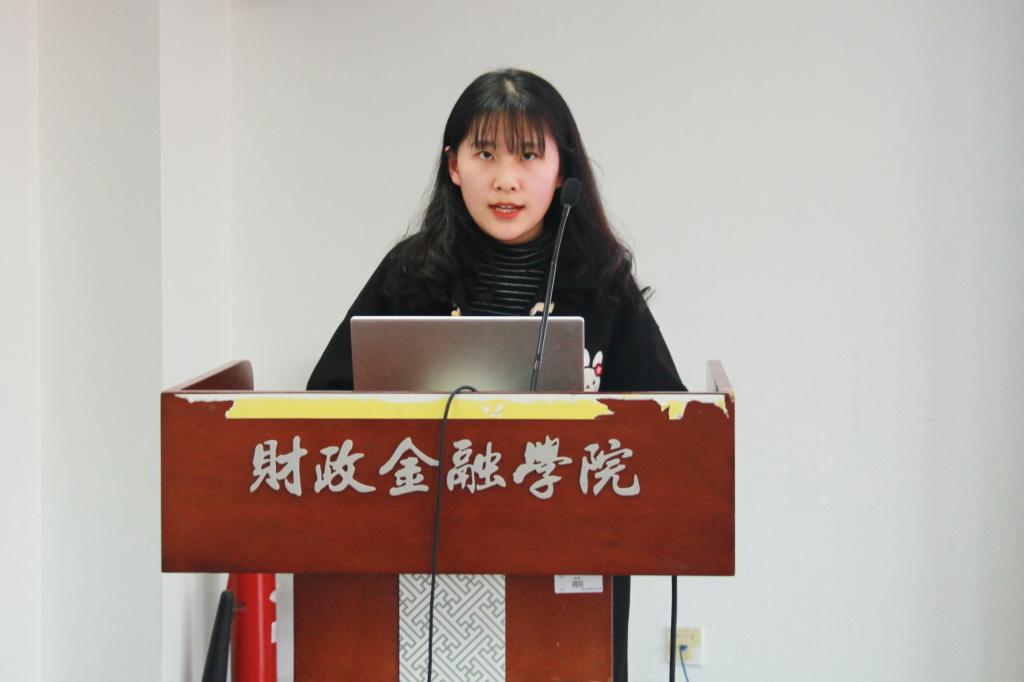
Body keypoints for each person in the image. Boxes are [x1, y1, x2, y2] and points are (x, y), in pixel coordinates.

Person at [307, 68, 686, 682]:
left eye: (528, 155)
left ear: (562, 170)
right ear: (453, 165)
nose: (506, 179)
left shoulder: (601, 284)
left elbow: (668, 421)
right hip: (431, 565)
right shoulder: (409, 275)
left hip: (568, 569)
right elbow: (325, 400)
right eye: (485, 154)